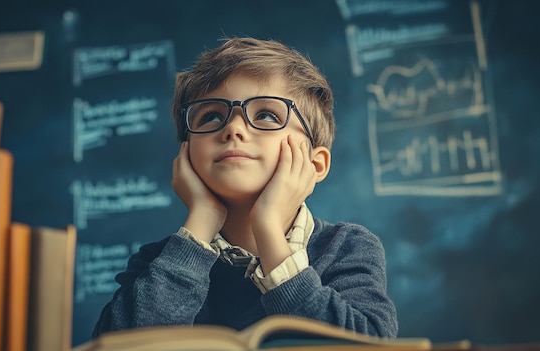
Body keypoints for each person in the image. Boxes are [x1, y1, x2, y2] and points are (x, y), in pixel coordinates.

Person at [92, 37, 398, 338]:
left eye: (266, 115)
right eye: (211, 116)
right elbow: (121, 344)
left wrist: (268, 229)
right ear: (186, 154)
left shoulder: (347, 247)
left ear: (315, 164)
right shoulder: (158, 263)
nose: (233, 129)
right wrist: (200, 221)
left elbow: (368, 344)